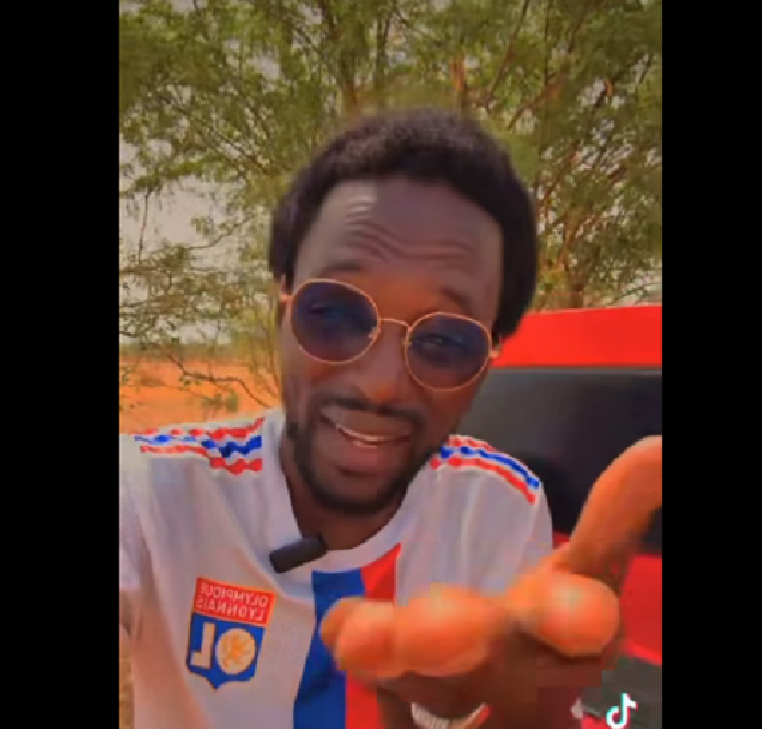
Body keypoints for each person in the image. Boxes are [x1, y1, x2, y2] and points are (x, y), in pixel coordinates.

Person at [119, 108, 662, 729]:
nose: (379, 384)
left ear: (488, 359)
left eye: (445, 341)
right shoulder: (156, 492)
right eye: (334, 313)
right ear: (282, 303)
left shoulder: (498, 508)